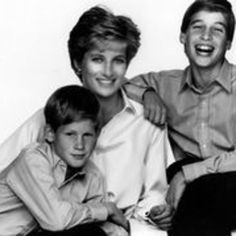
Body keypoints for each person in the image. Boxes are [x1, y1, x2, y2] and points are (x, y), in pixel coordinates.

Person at [0, 6, 174, 236]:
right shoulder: (47, 118)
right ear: (77, 64)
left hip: (111, 225)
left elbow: (154, 193)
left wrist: (155, 211)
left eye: (118, 60)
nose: (108, 71)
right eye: (97, 59)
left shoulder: (147, 122)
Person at [125, 0, 236, 235]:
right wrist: (147, 93)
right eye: (198, 27)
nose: (206, 36)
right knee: (185, 189)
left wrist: (187, 175)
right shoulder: (166, 84)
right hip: (195, 186)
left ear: (228, 43)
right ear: (183, 37)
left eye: (217, 30)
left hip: (224, 180)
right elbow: (121, 83)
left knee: (199, 187)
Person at [0, 85, 130, 236]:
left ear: (97, 135)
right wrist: (108, 209)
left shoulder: (92, 177)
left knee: (94, 232)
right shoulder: (33, 158)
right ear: (50, 133)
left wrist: (118, 227)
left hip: (38, 232)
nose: (80, 145)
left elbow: (101, 225)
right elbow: (56, 220)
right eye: (70, 134)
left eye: (87, 135)